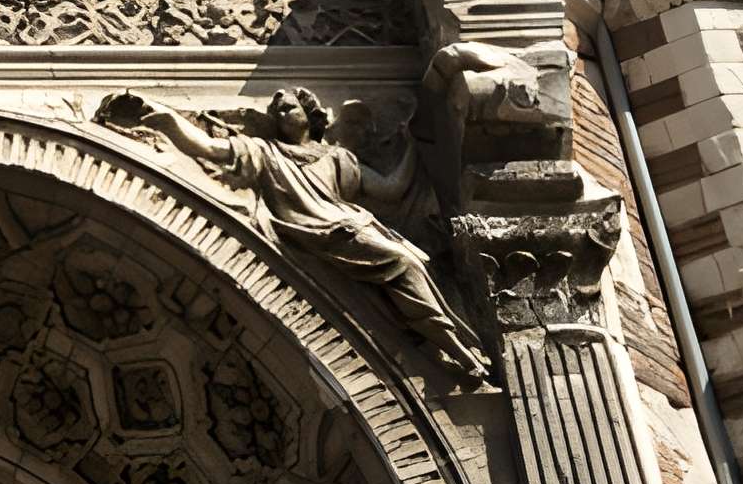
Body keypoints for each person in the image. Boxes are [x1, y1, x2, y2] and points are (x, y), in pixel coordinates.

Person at [100, 88, 490, 379]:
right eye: (277, 109)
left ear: (310, 114)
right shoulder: (263, 151)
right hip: (316, 232)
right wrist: (168, 118)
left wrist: (412, 145)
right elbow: (207, 146)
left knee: (413, 263)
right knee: (405, 264)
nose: (282, 112)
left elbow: (389, 188)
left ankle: (453, 346)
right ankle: (456, 349)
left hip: (349, 224)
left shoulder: (339, 158)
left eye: (289, 106)